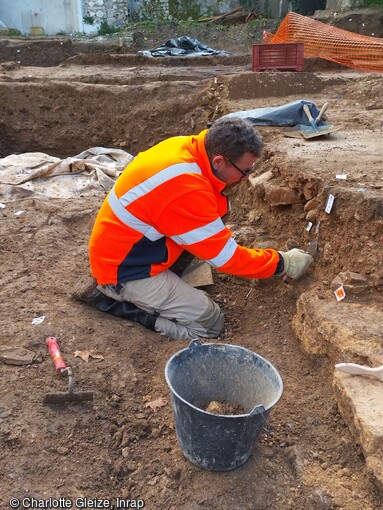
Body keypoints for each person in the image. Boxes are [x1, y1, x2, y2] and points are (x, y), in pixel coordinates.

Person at [81, 117, 313, 341]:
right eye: (244, 171)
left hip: (130, 246)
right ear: (219, 161)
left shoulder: (191, 148)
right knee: (210, 323)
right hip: (126, 271)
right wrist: (282, 263)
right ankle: (119, 304)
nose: (246, 178)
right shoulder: (185, 187)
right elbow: (226, 258)